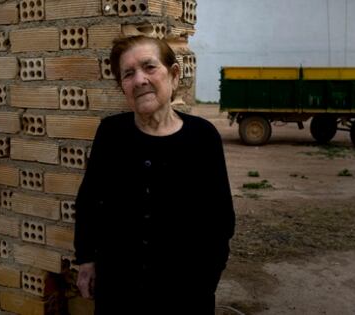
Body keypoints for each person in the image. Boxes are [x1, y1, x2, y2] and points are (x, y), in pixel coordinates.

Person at [74, 35, 235, 315]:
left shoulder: (203, 137)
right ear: (122, 86)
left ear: (173, 75)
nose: (139, 80)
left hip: (184, 295)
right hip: (118, 292)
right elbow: (89, 201)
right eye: (128, 74)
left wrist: (206, 280)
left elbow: (220, 219)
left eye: (149, 67)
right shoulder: (111, 133)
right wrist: (86, 259)